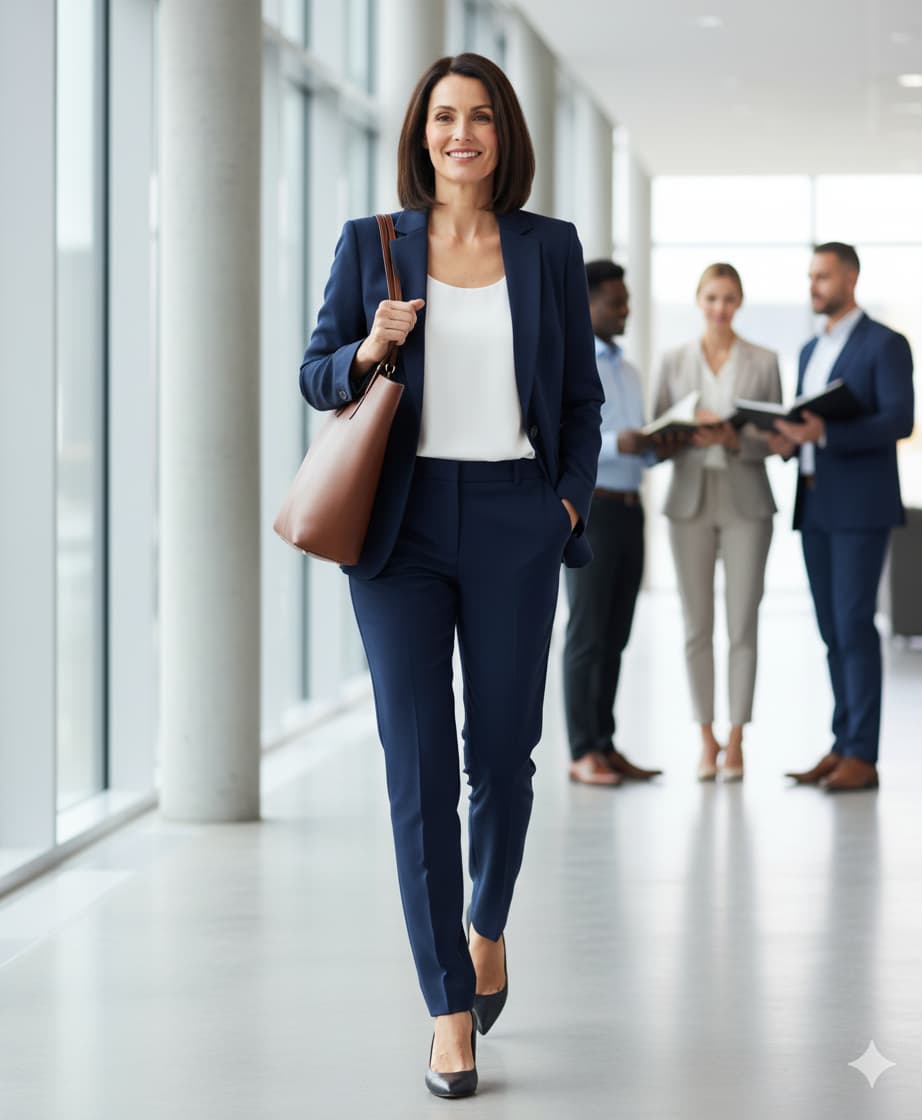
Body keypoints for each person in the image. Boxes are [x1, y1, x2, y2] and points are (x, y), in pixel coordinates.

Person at [299, 53, 603, 1099]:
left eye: (478, 116)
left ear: (503, 132)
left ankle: (486, 922)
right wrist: (365, 351)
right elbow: (314, 373)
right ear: (420, 134)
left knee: (504, 756)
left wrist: (563, 499)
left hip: (517, 515)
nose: (459, 133)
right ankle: (446, 1005)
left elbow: (576, 399)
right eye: (442, 117)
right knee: (417, 764)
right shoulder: (372, 245)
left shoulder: (548, 248)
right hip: (402, 525)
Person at [772, 242, 914, 792]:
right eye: (810, 276)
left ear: (850, 278)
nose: (814, 286)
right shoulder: (810, 349)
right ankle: (841, 744)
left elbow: (899, 420)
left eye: (823, 276)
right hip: (815, 501)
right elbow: (808, 420)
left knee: (855, 626)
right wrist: (791, 440)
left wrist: (826, 433)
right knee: (832, 630)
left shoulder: (886, 344)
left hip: (860, 505)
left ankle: (863, 755)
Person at [653, 263, 782, 782]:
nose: (720, 308)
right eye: (711, 298)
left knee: (742, 624)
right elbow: (657, 436)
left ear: (740, 302)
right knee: (697, 625)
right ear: (698, 300)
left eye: (729, 299)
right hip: (689, 500)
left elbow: (775, 435)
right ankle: (705, 738)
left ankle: (737, 739)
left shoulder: (764, 361)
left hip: (747, 498)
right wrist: (685, 434)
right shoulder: (674, 360)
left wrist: (733, 439)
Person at [562, 260, 664, 786]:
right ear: (589, 305)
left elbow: (636, 449)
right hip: (592, 511)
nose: (625, 310)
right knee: (586, 634)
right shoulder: (572, 362)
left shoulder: (627, 369)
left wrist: (655, 445)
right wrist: (615, 442)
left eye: (626, 301)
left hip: (630, 507)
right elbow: (556, 440)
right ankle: (582, 751)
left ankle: (605, 743)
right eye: (616, 302)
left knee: (615, 635)